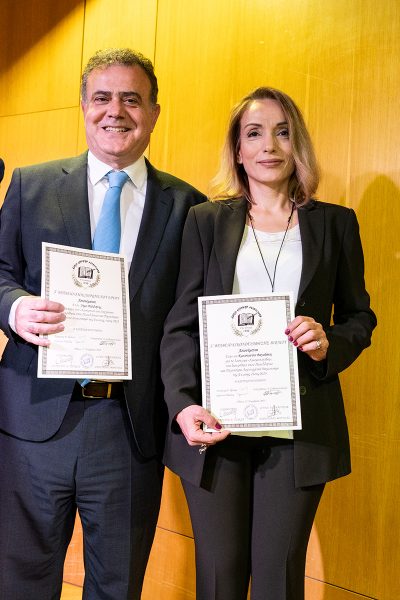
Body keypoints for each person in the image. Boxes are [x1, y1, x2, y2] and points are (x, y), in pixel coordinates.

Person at [0, 48, 205, 599]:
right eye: (102, 98)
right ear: (84, 107)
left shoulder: (189, 207)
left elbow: (189, 319)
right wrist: (15, 307)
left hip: (129, 428)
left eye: (132, 99)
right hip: (33, 421)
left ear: (154, 112)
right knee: (19, 583)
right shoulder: (31, 185)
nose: (116, 111)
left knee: (117, 586)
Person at [160, 87, 377, 600]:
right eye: (254, 134)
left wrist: (327, 343)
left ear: (297, 143)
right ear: (237, 149)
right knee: (219, 576)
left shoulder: (336, 224)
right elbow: (180, 326)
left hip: (298, 431)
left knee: (279, 578)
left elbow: (359, 317)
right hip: (217, 425)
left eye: (283, 132)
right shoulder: (205, 221)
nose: (269, 145)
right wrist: (183, 405)